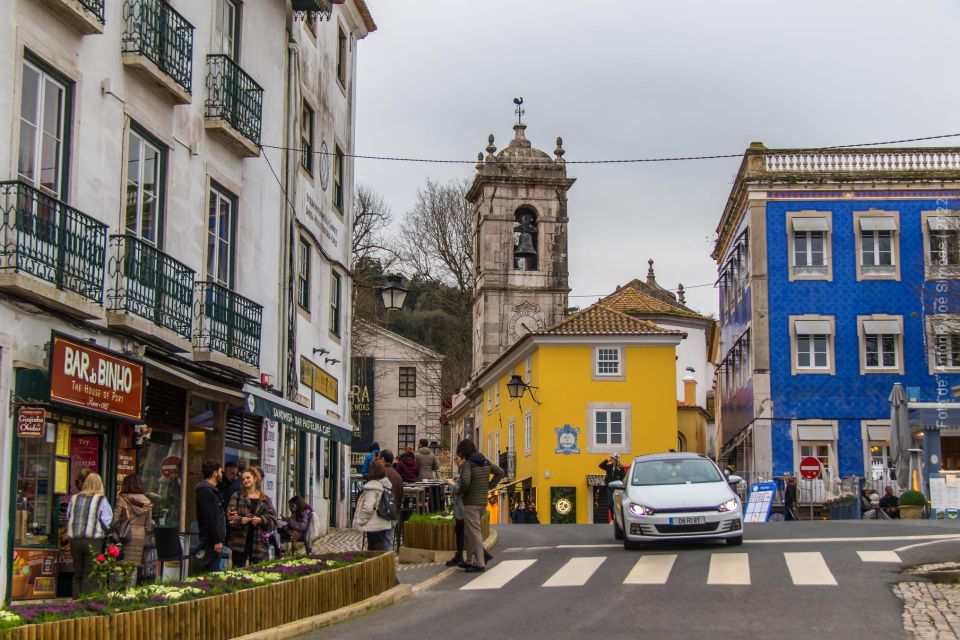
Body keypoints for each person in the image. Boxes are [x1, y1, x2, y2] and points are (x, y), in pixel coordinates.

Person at [448, 439, 503, 573]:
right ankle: (468, 560)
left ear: (464, 452)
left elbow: (465, 482)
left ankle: (480, 563)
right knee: (469, 532)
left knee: (474, 533)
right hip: (482, 502)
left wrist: (458, 490)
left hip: (471, 502)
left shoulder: (468, 464)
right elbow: (500, 472)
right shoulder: (485, 461)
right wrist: (488, 486)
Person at [66, 472, 113, 596]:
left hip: (74, 539)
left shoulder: (74, 498)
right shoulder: (101, 499)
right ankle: (85, 604)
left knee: (78, 572)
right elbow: (107, 521)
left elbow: (68, 515)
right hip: (93, 540)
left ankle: (75, 601)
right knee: (90, 573)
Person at [227, 468, 278, 567]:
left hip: (258, 542)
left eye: (248, 478)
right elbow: (230, 515)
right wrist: (241, 520)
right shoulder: (237, 495)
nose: (245, 480)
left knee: (257, 571)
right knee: (238, 571)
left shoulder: (264, 498)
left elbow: (273, 518)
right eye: (243, 479)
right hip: (239, 541)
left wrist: (261, 520)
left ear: (255, 478)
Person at [112, 474, 156, 585]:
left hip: (124, 536)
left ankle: (119, 594)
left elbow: (114, 521)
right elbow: (148, 526)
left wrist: (115, 531)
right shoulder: (147, 502)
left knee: (120, 566)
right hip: (139, 537)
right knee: (133, 567)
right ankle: (130, 592)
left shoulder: (123, 499)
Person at [352, 462, 394, 550]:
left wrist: (361, 521)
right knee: (381, 547)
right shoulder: (386, 485)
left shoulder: (372, 488)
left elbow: (368, 508)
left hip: (374, 524)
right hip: (384, 521)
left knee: (374, 549)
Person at [195, 460, 226, 574]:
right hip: (211, 541)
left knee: (213, 571)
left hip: (214, 539)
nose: (222, 474)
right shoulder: (206, 491)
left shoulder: (211, 490)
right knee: (210, 572)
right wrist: (216, 540)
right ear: (215, 474)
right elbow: (208, 518)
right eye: (220, 471)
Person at [378, 451, 404, 550]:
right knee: (388, 540)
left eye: (379, 459)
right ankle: (389, 560)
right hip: (393, 513)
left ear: (383, 459)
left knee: (379, 542)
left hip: (381, 513)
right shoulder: (398, 476)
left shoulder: (380, 474)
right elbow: (401, 496)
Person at [599, 454, 626, 521]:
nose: (611, 459)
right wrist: (607, 460)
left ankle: (618, 517)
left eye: (612, 458)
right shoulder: (609, 466)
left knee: (617, 503)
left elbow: (623, 478)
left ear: (616, 460)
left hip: (617, 488)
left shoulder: (620, 468)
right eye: (611, 458)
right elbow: (600, 466)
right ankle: (613, 517)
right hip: (610, 487)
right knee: (610, 503)